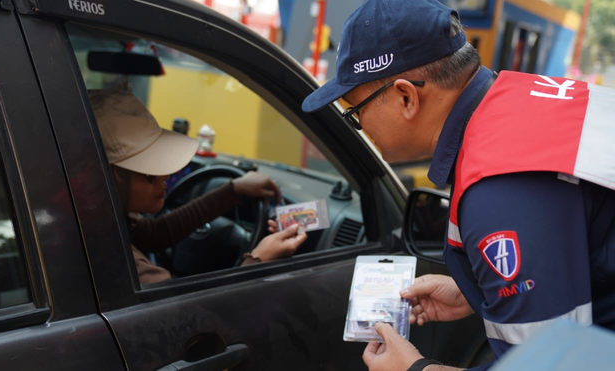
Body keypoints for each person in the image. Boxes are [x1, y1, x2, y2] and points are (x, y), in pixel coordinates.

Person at [301, 0, 615, 370]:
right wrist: (476, 292)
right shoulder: (521, 96)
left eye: (355, 112)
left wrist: (415, 369)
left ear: (406, 96)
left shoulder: (498, 189)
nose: (360, 126)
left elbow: (558, 366)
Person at [90, 89, 307, 284]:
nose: (164, 175)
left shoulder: (99, 217)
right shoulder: (134, 270)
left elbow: (156, 234)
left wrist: (233, 190)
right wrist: (259, 260)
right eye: (149, 174)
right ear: (108, 179)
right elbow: (191, 321)